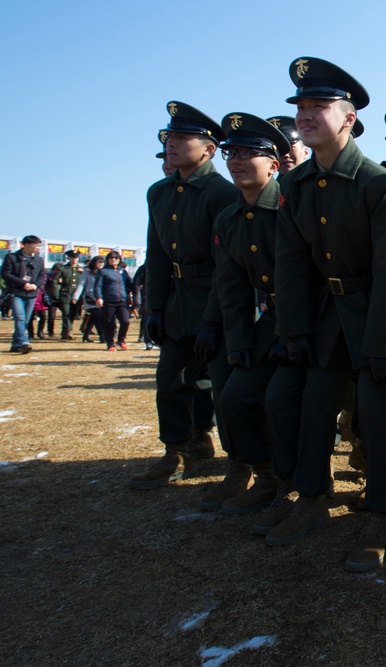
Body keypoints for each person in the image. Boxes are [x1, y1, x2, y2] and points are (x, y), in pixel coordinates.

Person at [272, 57, 386, 558]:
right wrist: (294, 328)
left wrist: (384, 343)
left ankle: (382, 511)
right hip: (324, 315)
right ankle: (312, 497)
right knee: (312, 406)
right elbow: (291, 264)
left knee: (376, 413)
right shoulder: (295, 184)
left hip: (373, 312)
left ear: (349, 119)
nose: (306, 115)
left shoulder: (379, 183)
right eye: (301, 107)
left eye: (319, 106)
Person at [131, 101, 238, 491]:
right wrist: (154, 308)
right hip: (177, 302)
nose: (171, 143)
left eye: (181, 137)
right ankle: (177, 449)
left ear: (209, 149)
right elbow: (156, 253)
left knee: (217, 383)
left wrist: (215, 317)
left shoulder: (221, 193)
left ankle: (221, 449)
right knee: (171, 380)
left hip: (216, 299)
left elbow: (225, 262)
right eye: (169, 136)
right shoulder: (159, 192)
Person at [203, 112, 292, 520]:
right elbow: (233, 288)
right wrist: (237, 342)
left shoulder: (293, 205)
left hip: (308, 320)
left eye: (249, 153)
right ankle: (267, 476)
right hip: (269, 320)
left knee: (284, 400)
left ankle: (298, 487)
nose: (236, 160)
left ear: (274, 164)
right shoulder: (228, 219)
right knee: (235, 396)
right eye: (230, 152)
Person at [1, 235, 46, 354]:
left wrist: (36, 285)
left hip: (31, 293)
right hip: (16, 292)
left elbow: (42, 275)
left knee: (25, 320)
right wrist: (22, 283)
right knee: (20, 318)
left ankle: (16, 344)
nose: (38, 248)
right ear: (26, 245)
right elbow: (5, 274)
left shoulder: (39, 260)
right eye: (35, 245)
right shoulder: (12, 257)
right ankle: (24, 341)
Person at [94, 251, 134, 351]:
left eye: (116, 258)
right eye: (111, 258)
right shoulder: (103, 271)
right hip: (108, 301)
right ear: (108, 259)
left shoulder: (123, 271)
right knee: (109, 323)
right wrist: (99, 297)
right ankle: (110, 343)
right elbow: (98, 285)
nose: (113, 260)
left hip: (122, 300)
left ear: (119, 259)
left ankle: (121, 340)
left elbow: (130, 284)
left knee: (125, 321)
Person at [72, 255, 104, 342]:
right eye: (98, 262)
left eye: (102, 262)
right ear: (94, 263)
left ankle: (86, 335)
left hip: (100, 297)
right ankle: (102, 335)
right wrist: (76, 296)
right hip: (90, 297)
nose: (100, 264)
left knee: (93, 317)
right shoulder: (87, 272)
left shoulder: (104, 272)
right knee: (97, 315)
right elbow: (81, 284)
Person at [52, 250, 81, 340]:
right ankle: (68, 331)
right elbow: (55, 281)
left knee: (72, 314)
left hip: (76, 296)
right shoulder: (63, 269)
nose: (74, 259)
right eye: (72, 257)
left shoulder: (80, 269)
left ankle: (65, 331)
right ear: (68, 258)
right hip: (65, 294)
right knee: (66, 314)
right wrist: (56, 294)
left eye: (76, 257)